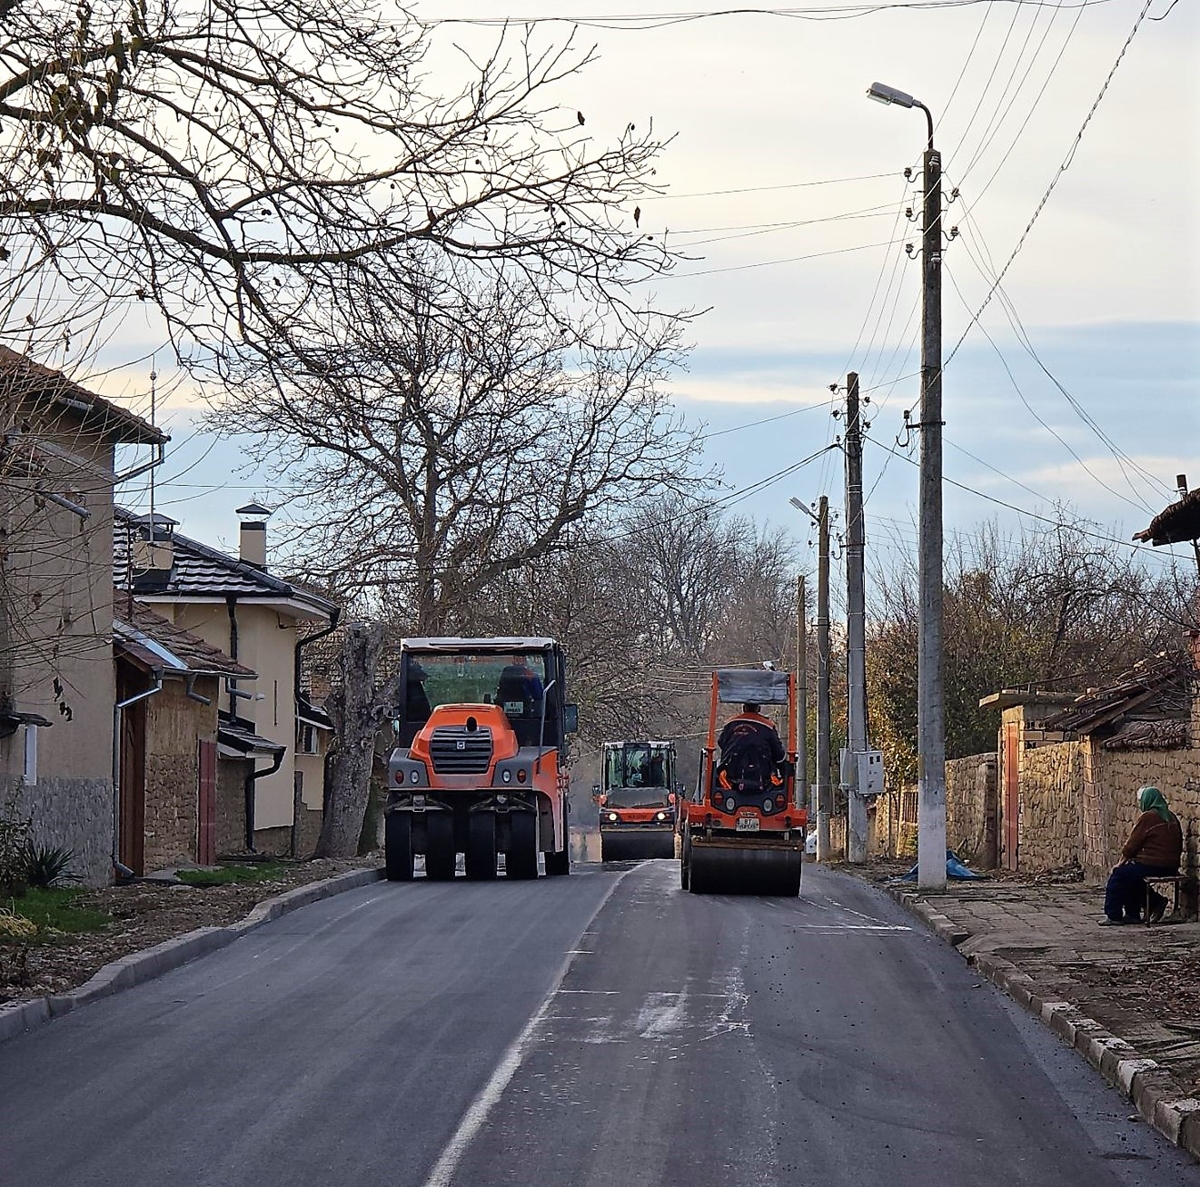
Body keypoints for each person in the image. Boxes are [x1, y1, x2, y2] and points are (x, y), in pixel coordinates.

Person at [1102, 785, 1183, 925]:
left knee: (1119, 876)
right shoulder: (1171, 817)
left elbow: (1132, 844)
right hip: (1170, 866)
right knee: (1132, 877)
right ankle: (1147, 906)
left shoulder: (1148, 817)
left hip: (1153, 865)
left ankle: (1113, 915)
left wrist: (1120, 863)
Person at [717, 702, 786, 793]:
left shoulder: (730, 724)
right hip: (764, 783)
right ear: (758, 709)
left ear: (744, 708)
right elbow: (779, 755)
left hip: (730, 781)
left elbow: (721, 743)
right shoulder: (768, 726)